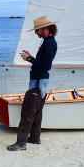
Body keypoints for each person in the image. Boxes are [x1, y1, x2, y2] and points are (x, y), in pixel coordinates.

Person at [7, 16, 58, 151]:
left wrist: (29, 58)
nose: (36, 33)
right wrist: (32, 57)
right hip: (40, 81)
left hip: (38, 81)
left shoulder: (48, 43)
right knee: (36, 111)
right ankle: (35, 138)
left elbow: (46, 66)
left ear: (45, 28)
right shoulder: (48, 41)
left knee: (28, 111)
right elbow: (43, 63)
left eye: (37, 30)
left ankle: (21, 143)